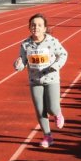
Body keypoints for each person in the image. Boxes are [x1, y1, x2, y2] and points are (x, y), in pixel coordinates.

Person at [13, 13, 68, 148]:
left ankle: (58, 113)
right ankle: (47, 136)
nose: (36, 27)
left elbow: (63, 54)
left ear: (44, 28)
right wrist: (18, 64)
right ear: (29, 27)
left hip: (51, 79)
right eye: (33, 25)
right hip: (35, 81)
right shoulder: (26, 44)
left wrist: (56, 66)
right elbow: (22, 63)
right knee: (40, 110)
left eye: (39, 25)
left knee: (52, 108)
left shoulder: (52, 41)